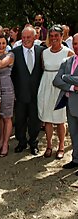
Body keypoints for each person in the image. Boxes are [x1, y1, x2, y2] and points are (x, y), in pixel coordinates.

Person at [38, 25, 74, 159]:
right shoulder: (45, 52)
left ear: (62, 36)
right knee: (47, 119)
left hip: (60, 88)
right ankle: (48, 146)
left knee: (60, 119)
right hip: (46, 86)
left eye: (56, 36)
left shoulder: (68, 52)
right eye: (51, 36)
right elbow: (43, 68)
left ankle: (61, 147)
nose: (53, 38)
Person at [11, 26, 44, 155]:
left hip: (36, 94)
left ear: (35, 37)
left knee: (35, 120)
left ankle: (33, 143)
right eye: (23, 37)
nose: (25, 40)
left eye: (28, 37)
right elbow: (12, 74)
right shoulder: (15, 52)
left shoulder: (41, 51)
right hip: (20, 94)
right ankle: (21, 142)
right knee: (20, 120)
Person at [53, 33, 78, 170]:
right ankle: (76, 159)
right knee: (74, 134)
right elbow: (56, 80)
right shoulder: (67, 61)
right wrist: (72, 86)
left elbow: (62, 78)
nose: (76, 46)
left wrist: (65, 77)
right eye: (74, 43)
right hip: (69, 104)